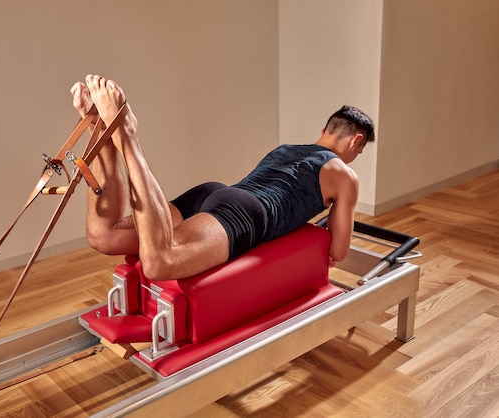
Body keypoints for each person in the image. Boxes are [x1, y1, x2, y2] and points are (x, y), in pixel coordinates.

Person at [70, 75, 375, 281]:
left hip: (213, 193)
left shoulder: (288, 148)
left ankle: (101, 130)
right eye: (359, 151)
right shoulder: (344, 175)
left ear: (324, 131)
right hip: (246, 213)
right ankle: (127, 137)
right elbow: (338, 251)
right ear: (355, 142)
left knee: (103, 235)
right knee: (159, 261)